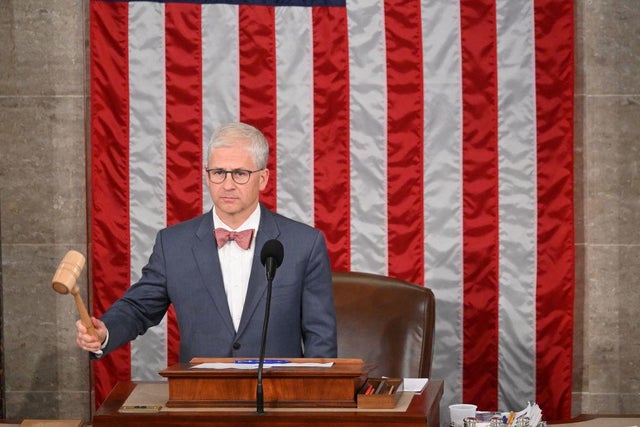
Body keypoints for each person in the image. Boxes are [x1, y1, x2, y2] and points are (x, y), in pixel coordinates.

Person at [76, 122, 337, 361]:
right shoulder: (173, 244)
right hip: (199, 398)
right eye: (219, 172)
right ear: (206, 175)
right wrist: (104, 332)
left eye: (240, 174)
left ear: (263, 179)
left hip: (280, 400)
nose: (227, 185)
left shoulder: (304, 244)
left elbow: (320, 336)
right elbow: (138, 308)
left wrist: (313, 402)